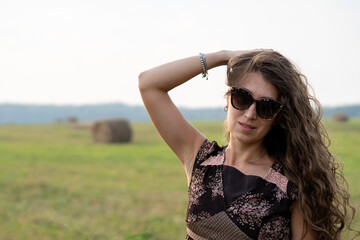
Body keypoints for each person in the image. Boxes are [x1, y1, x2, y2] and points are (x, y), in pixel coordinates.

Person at [138, 50, 358, 239]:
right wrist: (224, 56)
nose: (250, 114)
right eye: (242, 98)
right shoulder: (201, 159)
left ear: (278, 117)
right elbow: (149, 83)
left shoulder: (292, 184)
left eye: (266, 107)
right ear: (228, 99)